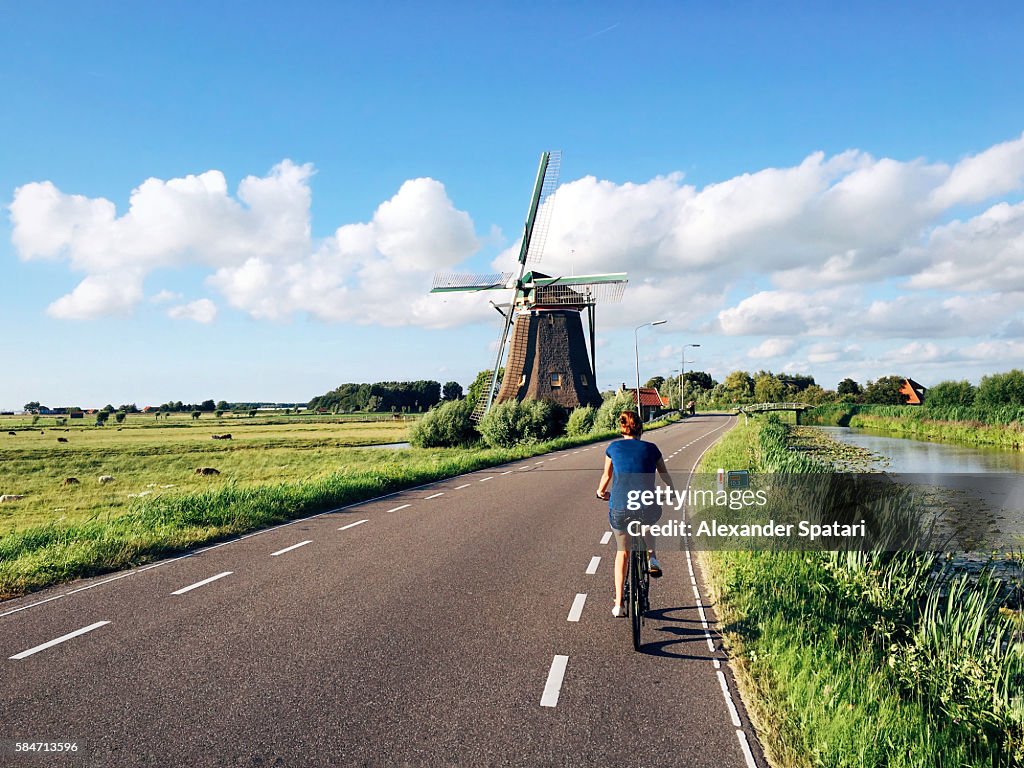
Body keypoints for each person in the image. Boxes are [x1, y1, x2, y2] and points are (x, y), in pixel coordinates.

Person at [596, 410, 673, 618]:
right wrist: (671, 490)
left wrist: (600, 492)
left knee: (623, 552)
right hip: (646, 506)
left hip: (620, 507)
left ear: (622, 429)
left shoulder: (613, 448)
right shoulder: (652, 449)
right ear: (641, 428)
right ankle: (652, 558)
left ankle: (619, 604)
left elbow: (606, 476)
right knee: (650, 518)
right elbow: (664, 474)